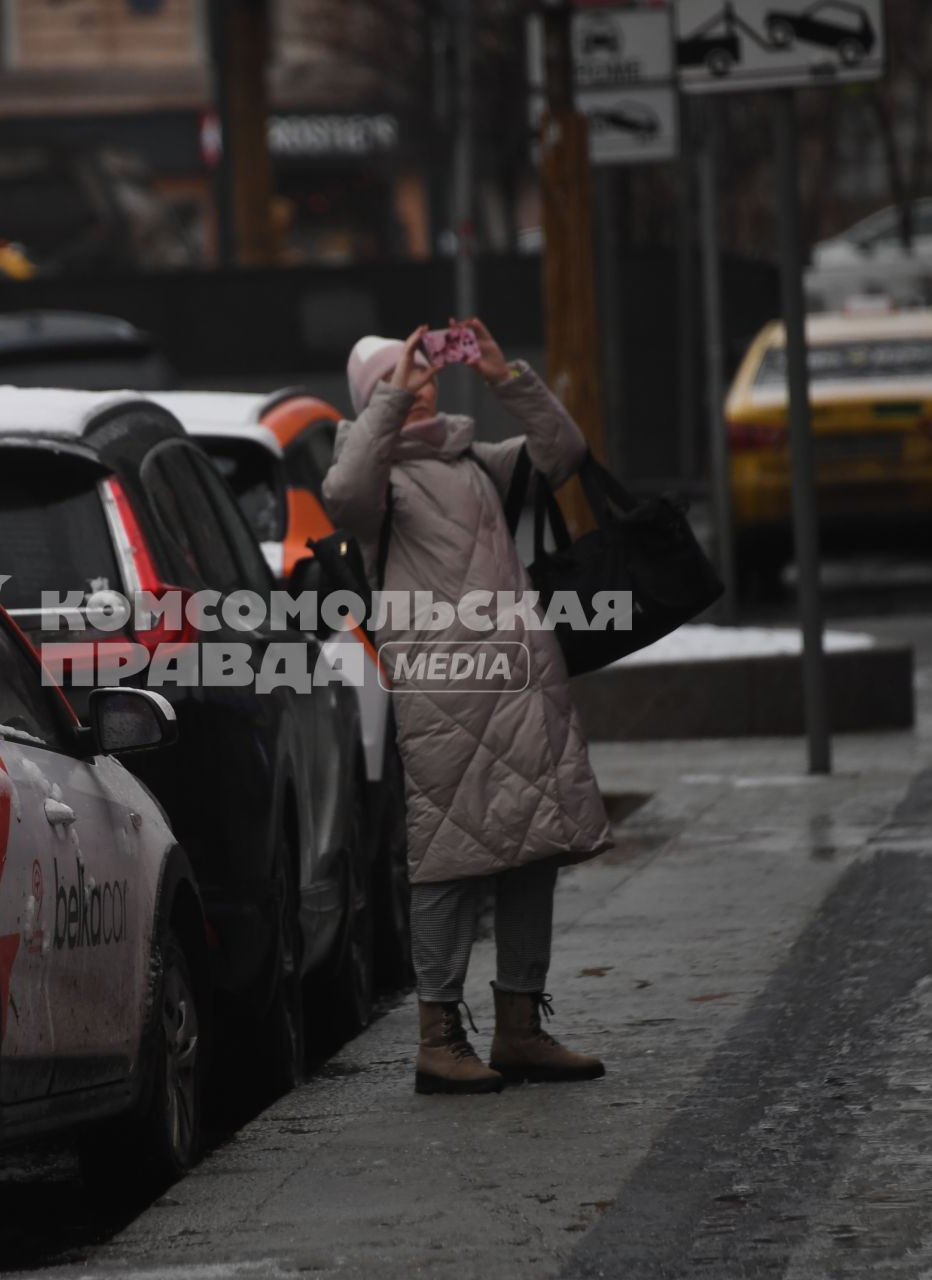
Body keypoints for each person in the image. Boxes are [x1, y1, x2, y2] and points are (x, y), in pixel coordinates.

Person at [322, 319, 613, 1095]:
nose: (419, 389)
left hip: (519, 691)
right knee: (449, 865)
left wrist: (502, 375)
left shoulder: (472, 460)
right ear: (375, 396)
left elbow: (564, 453)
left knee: (533, 850)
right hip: (447, 697)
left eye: (421, 375)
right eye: (398, 378)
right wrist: (392, 397)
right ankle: (438, 1034)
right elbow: (342, 495)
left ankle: (520, 1025)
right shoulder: (379, 482)